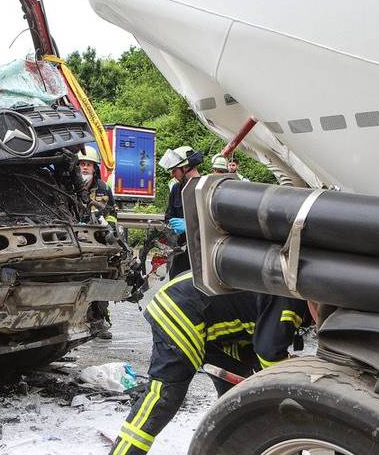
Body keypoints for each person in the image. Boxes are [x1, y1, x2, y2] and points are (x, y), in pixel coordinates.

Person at [109, 273, 309, 455]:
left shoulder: (297, 293)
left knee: (237, 401)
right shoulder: (292, 301)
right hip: (182, 310)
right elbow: (269, 353)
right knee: (164, 398)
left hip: (213, 325)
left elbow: (261, 345)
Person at [78, 145, 117, 339]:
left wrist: (111, 230)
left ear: (95, 168)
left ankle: (99, 320)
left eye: (89, 165)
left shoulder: (103, 189)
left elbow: (112, 213)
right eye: (82, 164)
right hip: (76, 239)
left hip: (99, 240)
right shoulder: (69, 186)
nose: (85, 168)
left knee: (102, 278)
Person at [158, 146, 203, 277]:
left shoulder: (205, 188)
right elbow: (168, 216)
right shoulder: (176, 189)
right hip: (179, 252)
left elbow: (214, 224)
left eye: (174, 170)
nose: (172, 174)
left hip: (200, 254)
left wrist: (190, 225)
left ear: (186, 167)